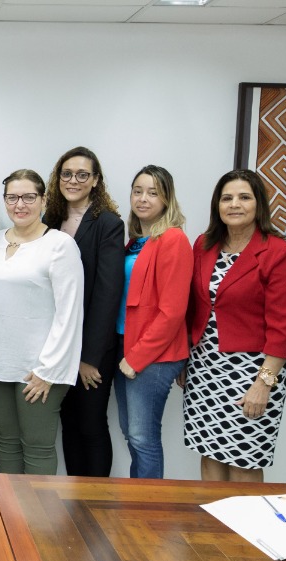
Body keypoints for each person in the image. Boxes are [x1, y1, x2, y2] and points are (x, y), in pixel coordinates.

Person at [182, 169, 286, 482]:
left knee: (244, 459)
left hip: (252, 371)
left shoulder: (279, 253)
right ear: (217, 206)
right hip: (204, 368)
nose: (235, 204)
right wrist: (184, 357)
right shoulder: (204, 245)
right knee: (209, 451)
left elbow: (285, 328)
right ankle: (213, 529)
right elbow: (193, 306)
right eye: (227, 198)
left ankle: (245, 531)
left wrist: (264, 383)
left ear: (258, 204)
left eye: (244, 197)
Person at [0, 169, 84, 475]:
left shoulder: (59, 245)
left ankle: (38, 523)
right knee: (6, 442)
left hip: (38, 369)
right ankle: (10, 518)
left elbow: (70, 313)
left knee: (38, 447)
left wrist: (48, 370)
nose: (20, 204)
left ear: (43, 199)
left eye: (28, 197)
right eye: (12, 197)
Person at [43, 146, 125, 478]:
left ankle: (97, 502)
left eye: (82, 175)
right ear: (57, 178)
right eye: (67, 174)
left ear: (95, 181)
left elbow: (108, 293)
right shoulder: (48, 219)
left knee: (90, 422)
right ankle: (74, 497)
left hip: (93, 346)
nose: (73, 180)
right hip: (57, 343)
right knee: (67, 421)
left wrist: (88, 356)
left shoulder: (108, 223)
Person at [115, 165, 191, 479]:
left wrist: (137, 358)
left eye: (153, 192)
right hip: (124, 344)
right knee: (131, 433)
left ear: (167, 199)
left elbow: (172, 312)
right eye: (138, 191)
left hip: (153, 355)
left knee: (143, 437)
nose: (143, 199)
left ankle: (147, 509)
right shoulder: (135, 241)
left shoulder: (173, 240)